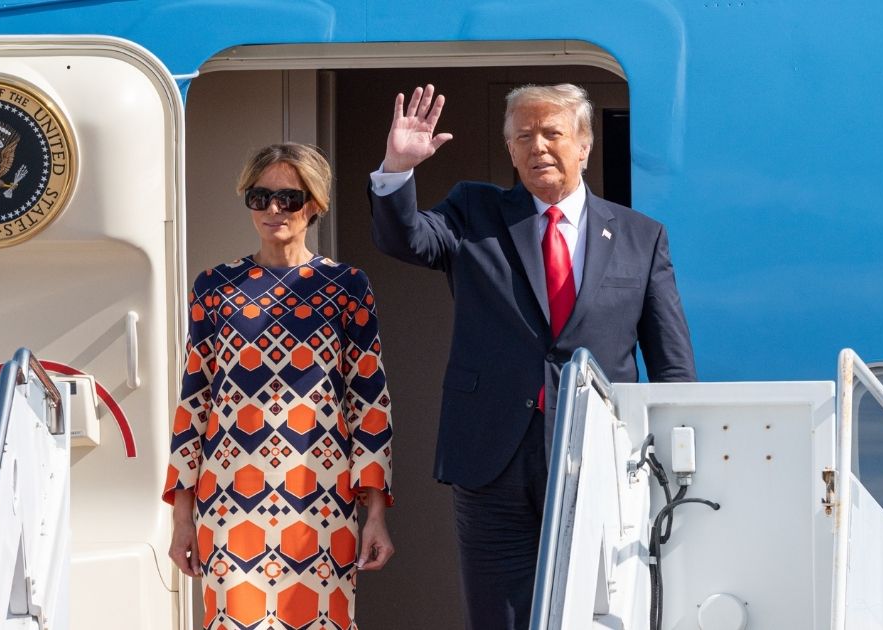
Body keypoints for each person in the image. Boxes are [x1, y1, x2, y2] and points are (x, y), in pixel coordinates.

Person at [369, 83, 696, 629]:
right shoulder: (476, 211)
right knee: (500, 616)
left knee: (600, 610)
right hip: (492, 457)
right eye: (523, 136)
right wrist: (397, 169)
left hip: (598, 457)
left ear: (585, 144)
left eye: (552, 133)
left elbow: (672, 364)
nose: (538, 146)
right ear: (510, 149)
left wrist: (679, 459)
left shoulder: (642, 237)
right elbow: (406, 239)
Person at [164, 143, 395, 630]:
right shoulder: (215, 286)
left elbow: (368, 402)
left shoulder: (347, 285)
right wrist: (182, 517)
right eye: (260, 196)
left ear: (313, 204)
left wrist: (375, 513)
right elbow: (194, 402)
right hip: (227, 498)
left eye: (289, 198)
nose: (274, 209)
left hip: (322, 498)